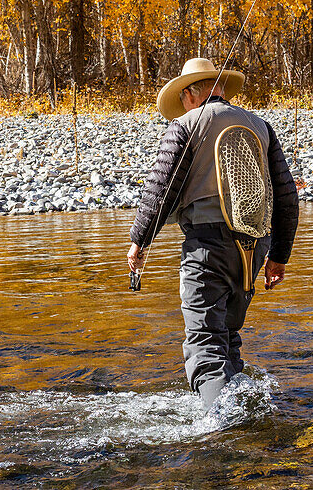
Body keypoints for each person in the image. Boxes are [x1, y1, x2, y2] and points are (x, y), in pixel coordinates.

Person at [127, 57, 299, 410]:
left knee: (205, 344)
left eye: (182, 100)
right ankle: (244, 410)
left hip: (207, 246)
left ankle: (220, 427)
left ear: (190, 93)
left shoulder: (186, 124)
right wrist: (279, 257)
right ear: (220, 89)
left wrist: (139, 241)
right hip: (254, 249)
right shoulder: (261, 125)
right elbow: (287, 198)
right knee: (228, 337)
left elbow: (162, 190)